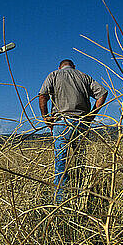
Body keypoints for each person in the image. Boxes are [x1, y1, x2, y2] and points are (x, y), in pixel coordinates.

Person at [39, 59, 108, 203]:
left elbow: (43, 96)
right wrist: (91, 116)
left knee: (61, 164)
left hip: (61, 123)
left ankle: (61, 202)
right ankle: (81, 198)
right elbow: (102, 94)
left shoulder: (53, 75)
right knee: (81, 162)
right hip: (82, 123)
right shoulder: (84, 76)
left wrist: (47, 120)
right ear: (73, 66)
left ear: (60, 67)